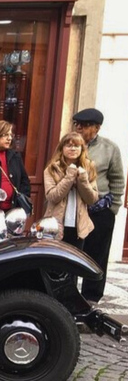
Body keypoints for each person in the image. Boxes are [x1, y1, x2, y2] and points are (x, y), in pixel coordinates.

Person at [73, 108, 125, 302]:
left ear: (96, 128)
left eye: (84, 126)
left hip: (100, 211)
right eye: (76, 124)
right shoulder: (69, 144)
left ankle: (91, 298)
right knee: (70, 253)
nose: (79, 129)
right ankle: (67, 295)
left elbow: (118, 179)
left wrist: (113, 207)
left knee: (96, 255)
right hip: (74, 208)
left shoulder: (109, 148)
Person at [42, 132, 99, 247]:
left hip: (79, 226)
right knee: (55, 261)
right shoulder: (52, 169)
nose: (72, 149)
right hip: (55, 224)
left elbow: (92, 199)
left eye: (76, 146)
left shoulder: (88, 167)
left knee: (74, 261)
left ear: (81, 149)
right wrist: (69, 177)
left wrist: (82, 180)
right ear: (62, 148)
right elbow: (52, 196)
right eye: (68, 146)